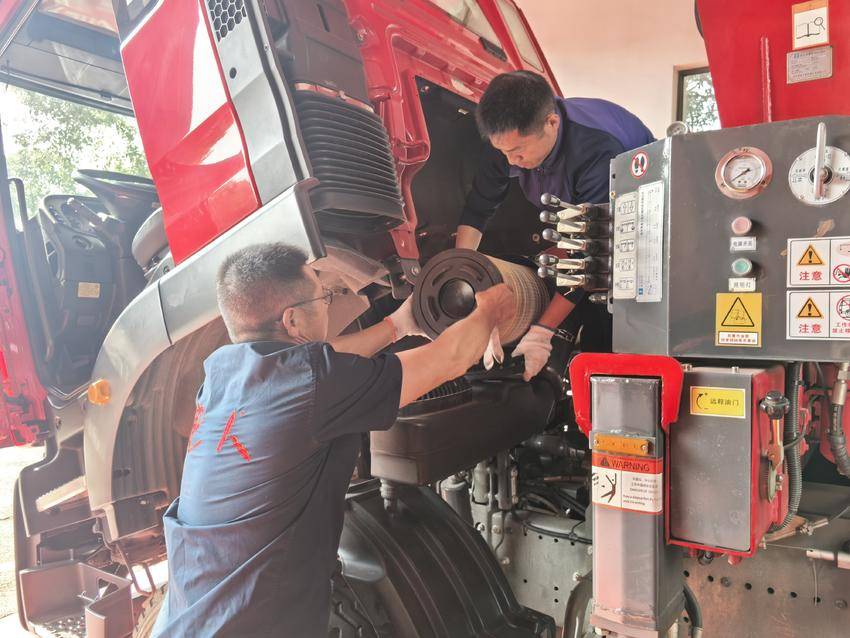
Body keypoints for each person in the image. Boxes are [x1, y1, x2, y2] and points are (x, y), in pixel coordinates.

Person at [151, 242, 514, 637]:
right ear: (292, 319)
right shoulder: (310, 383)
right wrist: (490, 309)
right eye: (324, 298)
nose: (327, 305)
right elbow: (450, 358)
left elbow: (319, 362)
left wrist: (396, 325)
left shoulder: (222, 375)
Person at [456, 71, 655, 380]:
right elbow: (479, 207)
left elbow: (590, 255)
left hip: (639, 230)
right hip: (584, 225)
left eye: (518, 151)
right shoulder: (508, 140)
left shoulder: (597, 150)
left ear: (551, 123)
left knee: (605, 332)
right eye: (503, 151)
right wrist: (461, 272)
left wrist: (541, 332)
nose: (511, 160)